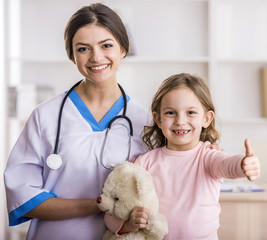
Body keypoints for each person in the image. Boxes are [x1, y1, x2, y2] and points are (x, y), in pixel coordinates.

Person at [4, 3, 149, 240]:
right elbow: (24, 198)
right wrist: (96, 205)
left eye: (106, 45)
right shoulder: (46, 116)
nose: (96, 57)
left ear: (123, 48)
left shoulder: (144, 121)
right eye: (83, 49)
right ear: (72, 56)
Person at [104, 73, 261, 239]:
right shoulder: (145, 162)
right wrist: (126, 225)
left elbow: (228, 165)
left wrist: (244, 164)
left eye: (191, 112)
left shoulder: (208, 157)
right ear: (158, 119)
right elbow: (112, 210)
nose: (180, 121)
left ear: (206, 119)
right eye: (171, 113)